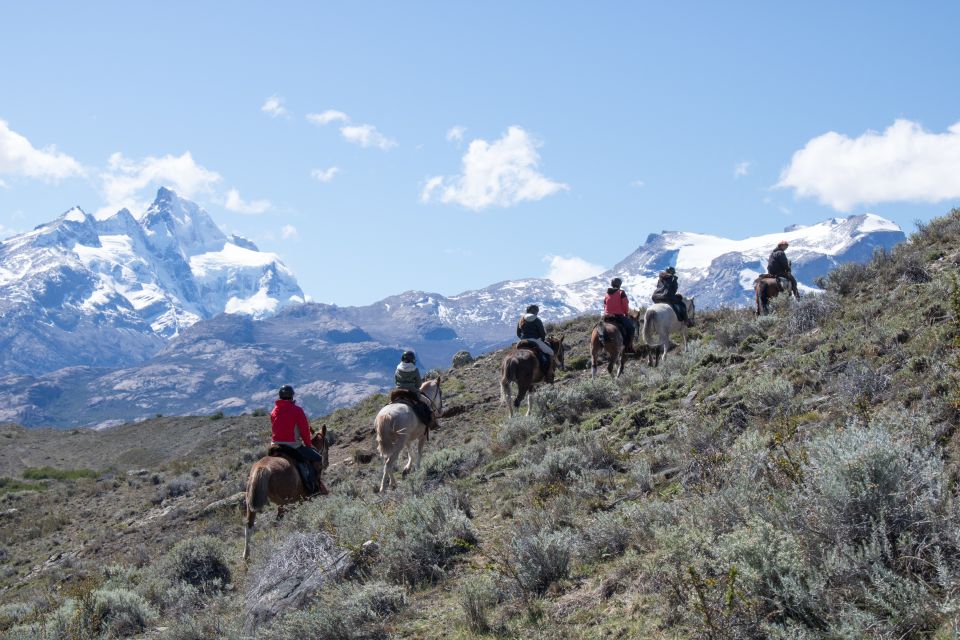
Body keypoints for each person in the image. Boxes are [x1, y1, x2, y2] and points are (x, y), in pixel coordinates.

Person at [270, 385, 324, 494]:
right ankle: (314, 486)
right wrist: (308, 445)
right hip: (292, 445)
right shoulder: (297, 410)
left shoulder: (274, 411)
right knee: (317, 458)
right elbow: (304, 431)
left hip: (275, 445)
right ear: (291, 396)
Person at [516, 304, 554, 372]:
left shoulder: (521, 319)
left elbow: (518, 333)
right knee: (551, 352)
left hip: (523, 341)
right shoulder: (537, 320)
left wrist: (522, 339)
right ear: (535, 311)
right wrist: (542, 340)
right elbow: (542, 333)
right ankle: (547, 372)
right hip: (535, 340)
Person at [604, 277, 636, 351]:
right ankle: (629, 347)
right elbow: (625, 304)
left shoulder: (607, 294)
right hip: (618, 316)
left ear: (612, 284)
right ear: (619, 285)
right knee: (631, 328)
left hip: (606, 316)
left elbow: (605, 305)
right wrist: (626, 313)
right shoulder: (621, 293)